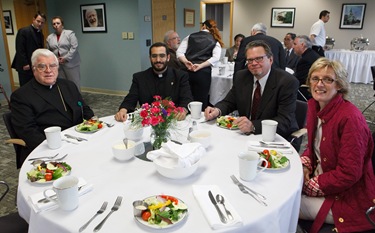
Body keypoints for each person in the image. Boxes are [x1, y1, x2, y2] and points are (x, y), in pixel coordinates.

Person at [299, 58, 375, 233]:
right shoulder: (315, 107)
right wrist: (305, 163)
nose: (319, 84)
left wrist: (314, 185)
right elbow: (313, 146)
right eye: (315, 78)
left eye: (327, 79)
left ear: (339, 85)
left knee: (285, 203)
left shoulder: (350, 119)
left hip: (347, 198)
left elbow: (349, 173)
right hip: (324, 181)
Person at [10, 49, 94, 166]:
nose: (48, 71)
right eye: (42, 66)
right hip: (50, 150)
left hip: (77, 141)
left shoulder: (68, 85)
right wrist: (56, 148)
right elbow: (28, 132)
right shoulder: (21, 96)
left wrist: (94, 125)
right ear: (34, 69)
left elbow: (85, 109)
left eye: (52, 66)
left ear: (58, 67)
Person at [204, 40, 299, 141]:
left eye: (259, 59)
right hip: (245, 135)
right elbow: (229, 102)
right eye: (250, 60)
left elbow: (284, 120)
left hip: (274, 137)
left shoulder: (287, 82)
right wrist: (217, 110)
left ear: (270, 60)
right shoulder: (242, 77)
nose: (254, 63)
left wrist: (253, 126)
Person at [115, 42, 193, 122]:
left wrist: (183, 110)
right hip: (148, 122)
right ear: (150, 58)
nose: (158, 60)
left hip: (173, 121)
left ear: (168, 57)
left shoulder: (180, 76)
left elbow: (187, 98)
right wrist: (123, 110)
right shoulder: (139, 78)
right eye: (154, 56)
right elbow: (131, 98)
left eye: (162, 56)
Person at [177, 19, 224, 110]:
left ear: (203, 26)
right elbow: (215, 58)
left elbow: (179, 52)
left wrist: (186, 62)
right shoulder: (215, 40)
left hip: (186, 72)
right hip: (203, 74)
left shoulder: (190, 36)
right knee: (201, 101)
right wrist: (200, 65)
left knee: (185, 98)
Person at [11, 12, 46, 86]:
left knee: (35, 85)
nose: (40, 24)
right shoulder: (24, 31)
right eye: (38, 21)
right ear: (33, 20)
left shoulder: (40, 34)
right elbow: (20, 48)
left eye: (42, 23)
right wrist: (25, 63)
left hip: (34, 65)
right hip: (25, 66)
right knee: (26, 86)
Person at [47, 16, 81, 90]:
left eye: (58, 23)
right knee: (62, 84)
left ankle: (76, 100)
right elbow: (49, 51)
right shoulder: (50, 37)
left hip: (71, 63)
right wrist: (55, 60)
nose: (56, 25)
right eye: (54, 24)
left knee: (74, 83)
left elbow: (74, 47)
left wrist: (66, 58)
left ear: (62, 24)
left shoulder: (70, 34)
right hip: (58, 64)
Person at [293, 35, 321, 101]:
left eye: (295, 44)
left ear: (302, 45)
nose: (293, 47)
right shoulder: (312, 54)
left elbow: (298, 80)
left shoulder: (305, 60)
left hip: (308, 91)